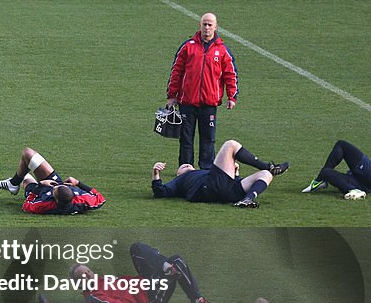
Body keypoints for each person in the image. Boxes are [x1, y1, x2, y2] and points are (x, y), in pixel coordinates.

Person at [166, 12, 239, 170]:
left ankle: (206, 170)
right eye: (204, 24)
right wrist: (172, 95)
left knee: (208, 140)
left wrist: (231, 97)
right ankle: (185, 169)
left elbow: (230, 75)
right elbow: (176, 71)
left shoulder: (222, 50)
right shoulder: (188, 46)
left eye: (209, 25)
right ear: (200, 25)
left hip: (209, 104)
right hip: (187, 102)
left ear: (215, 27)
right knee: (186, 139)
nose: (206, 27)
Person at [69, 242, 218, 303]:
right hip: (150, 298)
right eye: (84, 275)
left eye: (88, 270)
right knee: (177, 262)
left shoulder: (101, 280)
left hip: (146, 281)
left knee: (136, 248)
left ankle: (164, 264)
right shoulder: (93, 296)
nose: (89, 274)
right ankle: (197, 300)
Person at [152, 139, 289, 208]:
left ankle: (247, 199)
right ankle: (270, 166)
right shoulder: (181, 180)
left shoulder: (203, 173)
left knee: (265, 175)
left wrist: (235, 175)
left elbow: (224, 182)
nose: (186, 165)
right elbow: (160, 192)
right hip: (208, 188)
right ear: (179, 174)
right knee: (231, 145)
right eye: (182, 167)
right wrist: (156, 174)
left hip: (227, 191)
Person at [0, 147, 105, 215]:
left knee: (26, 177)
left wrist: (40, 185)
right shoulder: (82, 200)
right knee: (28, 154)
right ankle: (13, 184)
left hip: (39, 193)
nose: (54, 187)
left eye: (54, 190)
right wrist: (78, 183)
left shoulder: (44, 205)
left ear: (54, 199)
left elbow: (26, 206)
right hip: (54, 185)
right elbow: (100, 197)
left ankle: (14, 183)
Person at [300, 140, 369, 200]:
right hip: (360, 183)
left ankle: (319, 180)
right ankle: (353, 190)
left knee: (342, 145)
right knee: (325, 172)